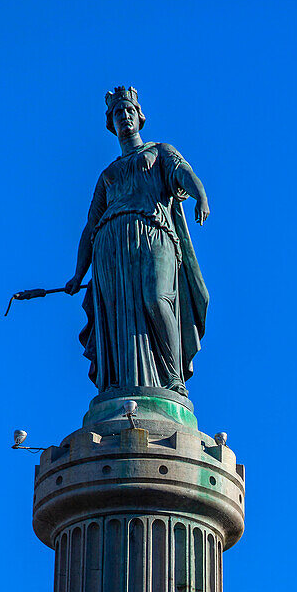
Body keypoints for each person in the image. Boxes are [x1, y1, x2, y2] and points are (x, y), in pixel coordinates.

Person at [66, 86, 210, 396]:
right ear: (111, 123)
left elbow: (184, 174)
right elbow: (90, 226)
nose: (124, 116)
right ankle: (118, 383)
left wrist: (201, 197)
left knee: (157, 299)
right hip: (110, 246)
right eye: (118, 113)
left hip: (154, 233)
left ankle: (173, 378)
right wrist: (79, 273)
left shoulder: (159, 152)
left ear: (139, 117)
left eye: (129, 111)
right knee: (116, 314)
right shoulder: (108, 174)